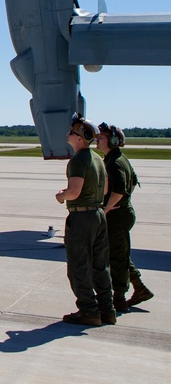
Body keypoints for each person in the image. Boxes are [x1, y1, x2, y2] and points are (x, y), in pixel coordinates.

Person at [55, 115, 115, 326]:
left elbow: (74, 192)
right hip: (98, 214)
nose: (68, 134)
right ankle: (107, 309)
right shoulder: (98, 158)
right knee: (100, 265)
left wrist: (62, 195)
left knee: (79, 266)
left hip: (82, 217)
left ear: (80, 138)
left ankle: (89, 310)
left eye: (72, 132)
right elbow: (106, 189)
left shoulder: (78, 160)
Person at [97, 122, 153, 312]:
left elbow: (120, 190)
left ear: (112, 141)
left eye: (102, 137)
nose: (98, 139)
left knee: (117, 258)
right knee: (119, 254)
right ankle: (140, 288)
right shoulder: (119, 159)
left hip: (117, 216)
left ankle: (119, 298)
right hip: (123, 213)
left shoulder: (114, 162)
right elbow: (133, 182)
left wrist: (107, 208)